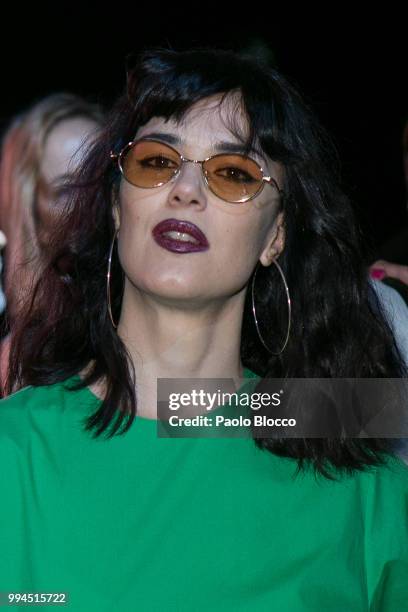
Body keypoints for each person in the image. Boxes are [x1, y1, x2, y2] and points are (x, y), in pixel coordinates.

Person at [0, 47, 407, 611]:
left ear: (277, 236)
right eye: (156, 161)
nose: (186, 188)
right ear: (118, 207)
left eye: (233, 173)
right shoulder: (14, 452)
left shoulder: (360, 481)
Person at [0, 93, 103, 390]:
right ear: (31, 212)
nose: (90, 200)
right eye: (69, 190)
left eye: (101, 179)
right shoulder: (21, 363)